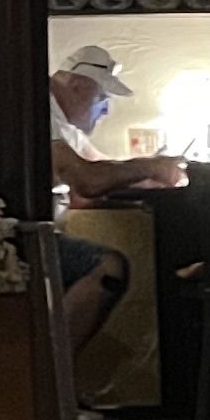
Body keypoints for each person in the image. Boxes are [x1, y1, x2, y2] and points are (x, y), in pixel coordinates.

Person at [47, 44, 186, 357]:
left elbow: (103, 168)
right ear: (77, 86)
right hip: (18, 237)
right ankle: (48, 374)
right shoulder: (42, 112)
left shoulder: (65, 127)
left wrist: (151, 171)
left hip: (42, 231)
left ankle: (53, 373)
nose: (105, 110)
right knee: (107, 267)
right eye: (102, 98)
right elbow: (89, 181)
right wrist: (149, 167)